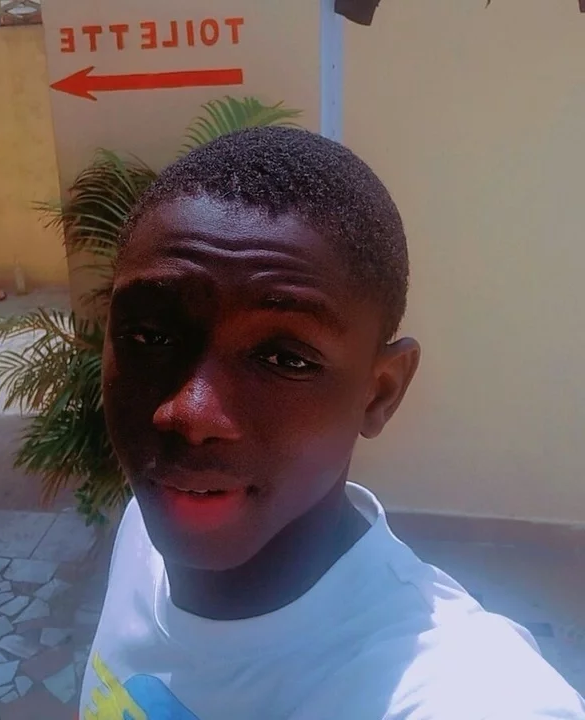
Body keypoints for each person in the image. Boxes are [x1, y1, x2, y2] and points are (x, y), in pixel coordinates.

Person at [79, 127, 585, 719]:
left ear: (380, 392)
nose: (188, 415)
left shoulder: (464, 693)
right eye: (148, 337)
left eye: (284, 359)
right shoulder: (146, 527)